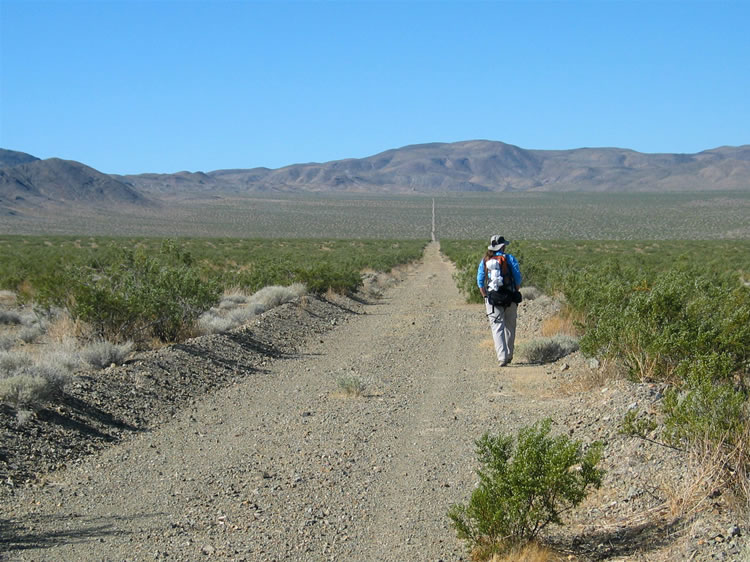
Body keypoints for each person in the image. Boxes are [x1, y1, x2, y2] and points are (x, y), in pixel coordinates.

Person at [477, 235, 522, 366]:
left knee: (497, 328)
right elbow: (518, 279)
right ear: (502, 246)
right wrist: (514, 291)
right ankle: (509, 355)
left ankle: (501, 357)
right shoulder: (510, 258)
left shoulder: (485, 260)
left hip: (493, 298)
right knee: (510, 327)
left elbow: (480, 281)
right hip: (510, 297)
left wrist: (486, 296)